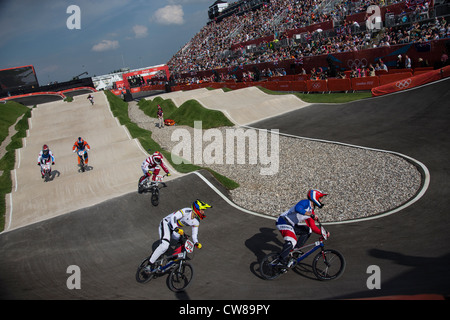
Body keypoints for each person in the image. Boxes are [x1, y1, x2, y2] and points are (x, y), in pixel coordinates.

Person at [146, 199, 212, 272]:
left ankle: (172, 259)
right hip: (166, 224)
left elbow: (194, 234)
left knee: (184, 240)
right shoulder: (186, 211)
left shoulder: (196, 221)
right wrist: (176, 228)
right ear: (197, 209)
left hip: (176, 229)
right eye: (202, 210)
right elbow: (173, 217)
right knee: (165, 245)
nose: (203, 212)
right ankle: (149, 264)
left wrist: (196, 242)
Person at [275, 189, 330, 265]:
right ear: (315, 198)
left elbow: (313, 227)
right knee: (292, 241)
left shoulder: (311, 211)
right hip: (283, 221)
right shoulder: (305, 202)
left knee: (308, 230)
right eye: (320, 198)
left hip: (291, 224)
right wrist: (310, 214)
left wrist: (323, 233)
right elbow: (298, 208)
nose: (321, 200)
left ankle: (295, 250)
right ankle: (281, 261)